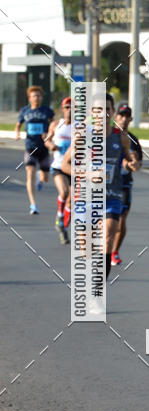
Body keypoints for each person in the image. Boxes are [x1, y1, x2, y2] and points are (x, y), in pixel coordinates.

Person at [63, 93, 139, 279]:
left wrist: (131, 163)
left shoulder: (121, 138)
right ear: (91, 112)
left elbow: (129, 159)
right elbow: (65, 165)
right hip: (85, 198)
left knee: (107, 238)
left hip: (111, 196)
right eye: (97, 110)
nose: (102, 114)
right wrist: (87, 174)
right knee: (86, 250)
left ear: (112, 112)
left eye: (106, 109)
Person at [110, 103, 143, 266]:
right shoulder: (107, 135)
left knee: (121, 220)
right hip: (104, 185)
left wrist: (134, 164)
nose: (123, 119)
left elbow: (137, 162)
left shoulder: (133, 140)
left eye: (126, 116)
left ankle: (114, 251)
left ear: (130, 119)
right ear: (115, 117)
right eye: (120, 116)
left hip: (124, 185)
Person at [15, 86, 54, 214]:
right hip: (30, 147)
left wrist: (49, 134)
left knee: (45, 177)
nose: (36, 97)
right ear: (29, 98)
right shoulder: (24, 111)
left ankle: (40, 178)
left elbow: (54, 125)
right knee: (30, 172)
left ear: (42, 98)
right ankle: (33, 204)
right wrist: (17, 133)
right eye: (34, 95)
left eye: (39, 95)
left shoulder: (46, 111)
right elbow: (18, 124)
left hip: (43, 147)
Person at [45, 96, 72, 244]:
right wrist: (51, 146)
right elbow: (47, 140)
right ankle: (60, 217)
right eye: (67, 107)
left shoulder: (79, 127)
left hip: (74, 168)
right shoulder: (56, 125)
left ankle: (63, 225)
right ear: (62, 109)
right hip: (58, 167)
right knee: (64, 192)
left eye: (72, 107)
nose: (69, 110)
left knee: (72, 201)